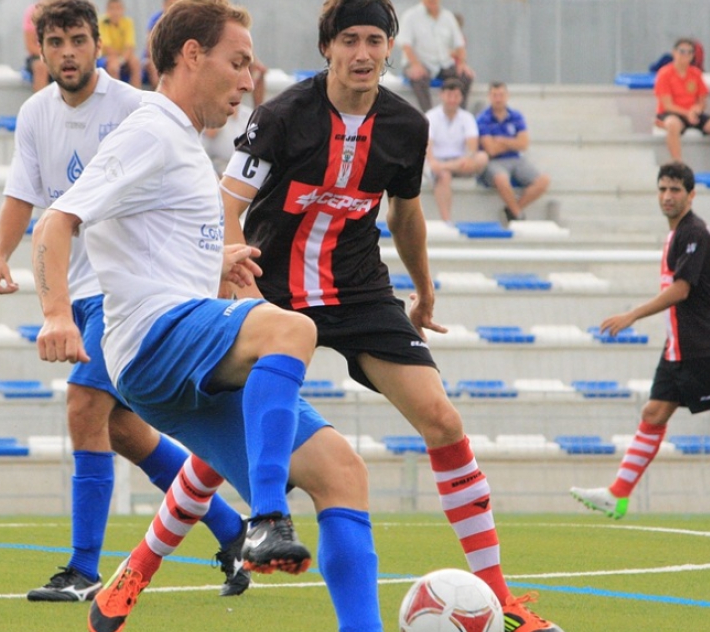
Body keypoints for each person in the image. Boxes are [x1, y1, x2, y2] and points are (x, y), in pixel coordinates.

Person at [32, 2, 383, 631]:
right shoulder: (151, 130)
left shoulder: (185, 145)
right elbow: (58, 221)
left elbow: (148, 241)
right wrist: (56, 312)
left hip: (177, 356)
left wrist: (214, 263)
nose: (249, 81)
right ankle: (267, 520)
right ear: (192, 55)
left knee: (343, 475)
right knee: (290, 327)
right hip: (150, 342)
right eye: (239, 62)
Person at [219, 1, 562, 631]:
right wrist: (230, 274)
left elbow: (406, 215)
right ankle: (140, 567)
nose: (363, 53)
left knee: (442, 419)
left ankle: (502, 599)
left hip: (359, 292)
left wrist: (424, 290)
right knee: (227, 448)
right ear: (328, 47)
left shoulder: (406, 125)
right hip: (272, 290)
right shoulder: (280, 117)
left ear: (388, 47)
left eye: (375, 39)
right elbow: (228, 203)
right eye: (349, 39)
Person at [0, 0, 249, 603]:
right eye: (55, 42)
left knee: (83, 408)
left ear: (98, 45)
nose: (68, 52)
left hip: (119, 290)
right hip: (71, 288)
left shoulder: (137, 109)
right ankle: (232, 530)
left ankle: (83, 568)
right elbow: (23, 194)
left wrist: (212, 256)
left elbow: (187, 187)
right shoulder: (34, 114)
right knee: (124, 430)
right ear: (42, 50)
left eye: (78, 39)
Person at [571, 161, 710, 524]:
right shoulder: (679, 235)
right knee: (653, 413)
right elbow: (709, 292)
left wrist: (632, 315)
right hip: (682, 346)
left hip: (698, 347)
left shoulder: (693, 232)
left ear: (691, 195)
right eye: (662, 189)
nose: (667, 196)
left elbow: (683, 289)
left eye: (675, 190)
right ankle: (617, 495)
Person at [476, 81, 550, 222]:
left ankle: (512, 210)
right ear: (489, 97)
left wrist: (502, 140)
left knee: (544, 180)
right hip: (494, 161)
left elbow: (523, 144)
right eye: (494, 95)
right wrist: (512, 142)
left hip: (516, 159)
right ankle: (518, 216)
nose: (498, 98)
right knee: (501, 178)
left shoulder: (516, 116)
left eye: (501, 95)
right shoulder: (483, 119)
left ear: (507, 96)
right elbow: (490, 149)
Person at [653, 38, 710, 173]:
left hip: (692, 113)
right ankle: (678, 163)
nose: (685, 55)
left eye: (689, 52)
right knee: (672, 125)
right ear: (674, 53)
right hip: (672, 112)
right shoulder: (665, 73)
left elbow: (702, 101)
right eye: (682, 51)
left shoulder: (695, 73)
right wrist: (687, 113)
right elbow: (667, 104)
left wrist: (696, 110)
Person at [425, 77, 488, 224]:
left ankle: (445, 167)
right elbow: (428, 145)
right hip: (437, 161)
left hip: (461, 162)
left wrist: (467, 158)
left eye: (456, 96)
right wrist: (435, 163)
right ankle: (447, 220)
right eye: (449, 95)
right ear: (442, 95)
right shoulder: (431, 116)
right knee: (443, 175)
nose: (452, 100)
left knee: (482, 157)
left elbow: (472, 147)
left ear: (461, 98)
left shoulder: (467, 118)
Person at [397, 0, 473, 112]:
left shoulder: (448, 17)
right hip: (418, 62)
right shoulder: (411, 16)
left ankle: (460, 114)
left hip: (443, 64)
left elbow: (459, 44)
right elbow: (406, 45)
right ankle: (428, 116)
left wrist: (462, 63)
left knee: (465, 76)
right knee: (418, 77)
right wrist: (415, 64)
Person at [99, 0, 142, 88]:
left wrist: (122, 59)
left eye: (118, 9)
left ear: (123, 10)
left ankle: (138, 95)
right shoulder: (102, 22)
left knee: (135, 62)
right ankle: (117, 96)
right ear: (107, 10)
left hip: (122, 56)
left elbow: (130, 46)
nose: (115, 12)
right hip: (105, 57)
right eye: (112, 9)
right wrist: (119, 59)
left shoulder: (128, 22)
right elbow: (108, 48)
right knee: (113, 66)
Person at [201, 99, 251, 175]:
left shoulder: (248, 114)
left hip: (242, 166)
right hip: (217, 165)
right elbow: (210, 134)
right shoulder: (214, 112)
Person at [23, 2, 50, 92]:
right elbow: (30, 46)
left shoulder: (72, 11)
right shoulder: (33, 12)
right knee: (40, 67)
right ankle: (42, 105)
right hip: (40, 55)